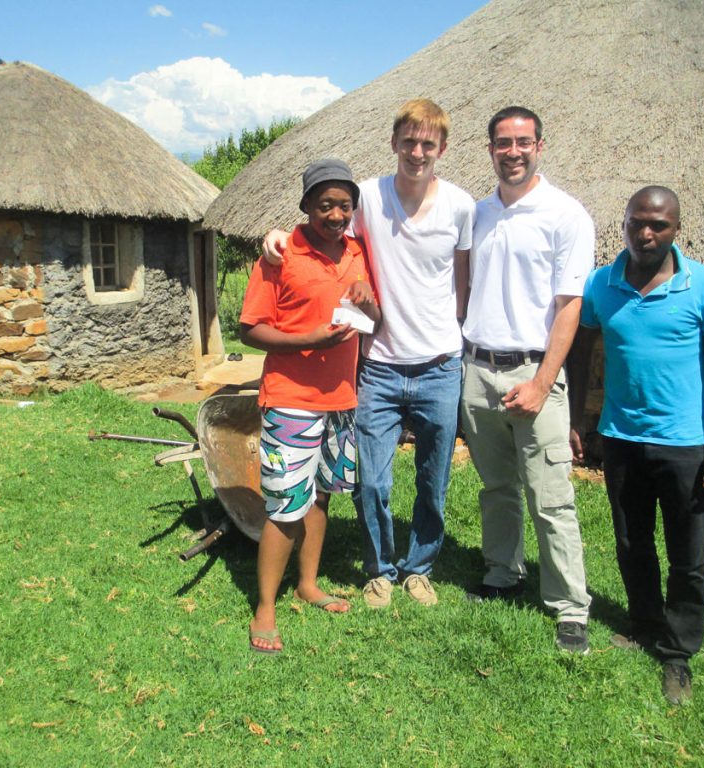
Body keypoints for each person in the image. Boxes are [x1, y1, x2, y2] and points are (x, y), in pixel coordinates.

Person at [263, 99, 475, 608]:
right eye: (409, 141)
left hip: (440, 365)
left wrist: (452, 337)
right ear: (394, 143)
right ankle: (380, 569)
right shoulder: (369, 200)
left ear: (441, 149)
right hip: (378, 366)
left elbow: (462, 282)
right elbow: (323, 232)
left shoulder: (461, 206)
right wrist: (275, 236)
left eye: (428, 144)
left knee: (433, 479)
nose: (417, 152)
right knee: (371, 482)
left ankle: (419, 567)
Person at [571, 185, 704, 703]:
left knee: (688, 553)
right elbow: (580, 355)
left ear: (675, 230)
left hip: (686, 444)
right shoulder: (602, 284)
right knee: (631, 542)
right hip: (621, 439)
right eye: (637, 222)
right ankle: (644, 622)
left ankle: (678, 651)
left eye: (658, 225)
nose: (646, 233)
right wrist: (578, 419)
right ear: (622, 223)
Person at [461, 106, 594, 654]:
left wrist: (543, 382)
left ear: (541, 145)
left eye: (522, 141)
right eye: (502, 143)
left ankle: (569, 606)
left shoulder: (565, 214)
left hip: (532, 370)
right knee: (496, 486)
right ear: (490, 148)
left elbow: (570, 307)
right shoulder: (478, 213)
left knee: (550, 493)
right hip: (477, 367)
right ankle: (502, 570)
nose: (512, 151)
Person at [241, 158, 380, 654]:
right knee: (284, 506)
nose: (336, 214)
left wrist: (366, 298)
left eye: (344, 206)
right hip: (291, 400)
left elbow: (374, 320)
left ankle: (309, 583)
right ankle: (265, 606)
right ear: (305, 207)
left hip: (342, 400)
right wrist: (309, 340)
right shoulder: (280, 256)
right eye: (325, 205)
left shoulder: (358, 252)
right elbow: (250, 328)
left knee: (321, 496)